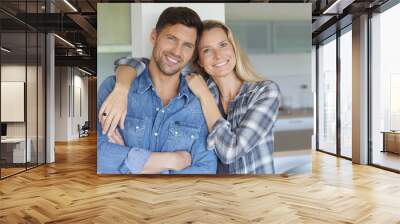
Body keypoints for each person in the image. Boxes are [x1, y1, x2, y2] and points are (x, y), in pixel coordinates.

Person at [100, 20, 281, 174]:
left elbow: (230, 152)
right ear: (199, 60)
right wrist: (122, 88)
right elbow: (153, 64)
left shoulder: (264, 92)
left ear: (234, 48)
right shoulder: (196, 88)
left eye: (223, 45)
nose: (218, 55)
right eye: (207, 50)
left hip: (257, 194)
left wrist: (137, 165)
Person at [97, 7, 217, 174]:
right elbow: (100, 156)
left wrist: (134, 165)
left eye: (187, 45)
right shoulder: (114, 89)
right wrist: (172, 161)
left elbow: (206, 168)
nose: (176, 51)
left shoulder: (197, 102)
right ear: (154, 36)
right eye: (171, 38)